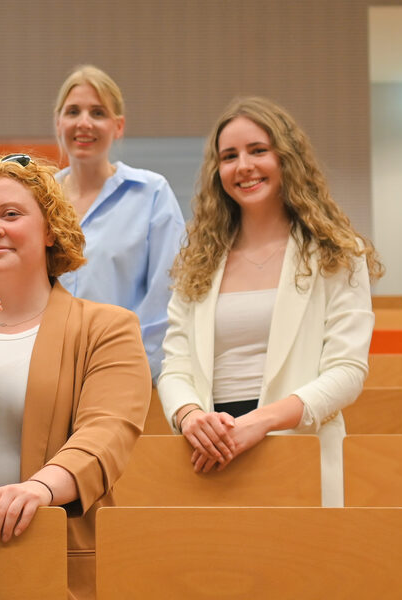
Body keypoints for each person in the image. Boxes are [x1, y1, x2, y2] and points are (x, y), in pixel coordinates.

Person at [157, 96, 383, 507]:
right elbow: (175, 365)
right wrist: (190, 416)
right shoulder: (198, 261)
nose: (243, 166)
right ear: (217, 171)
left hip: (297, 445)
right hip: (210, 453)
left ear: (287, 159)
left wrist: (257, 424)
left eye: (258, 151)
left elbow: (347, 371)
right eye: (229, 156)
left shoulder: (337, 253)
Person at [0, 154, 151, 600]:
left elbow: (105, 434)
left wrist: (37, 489)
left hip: (55, 562)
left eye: (11, 214)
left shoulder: (107, 327)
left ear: (50, 229)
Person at [51, 65, 185, 381]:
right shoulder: (37, 199)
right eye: (73, 111)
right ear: (59, 122)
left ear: (118, 126)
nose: (84, 123)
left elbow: (166, 296)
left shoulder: (152, 193)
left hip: (123, 373)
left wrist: (133, 371)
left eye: (97, 113)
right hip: (49, 374)